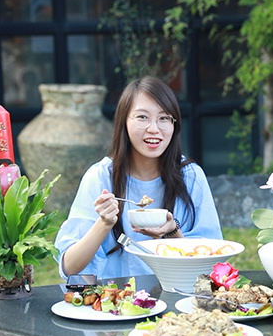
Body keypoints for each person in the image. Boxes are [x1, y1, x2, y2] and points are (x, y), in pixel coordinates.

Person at [55, 76, 222, 279]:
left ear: (174, 125)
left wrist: (172, 232)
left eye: (164, 118)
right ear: (123, 121)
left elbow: (211, 262)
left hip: (177, 294)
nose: (154, 128)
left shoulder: (191, 176)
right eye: (142, 117)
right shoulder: (100, 177)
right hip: (116, 296)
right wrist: (104, 223)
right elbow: (70, 267)